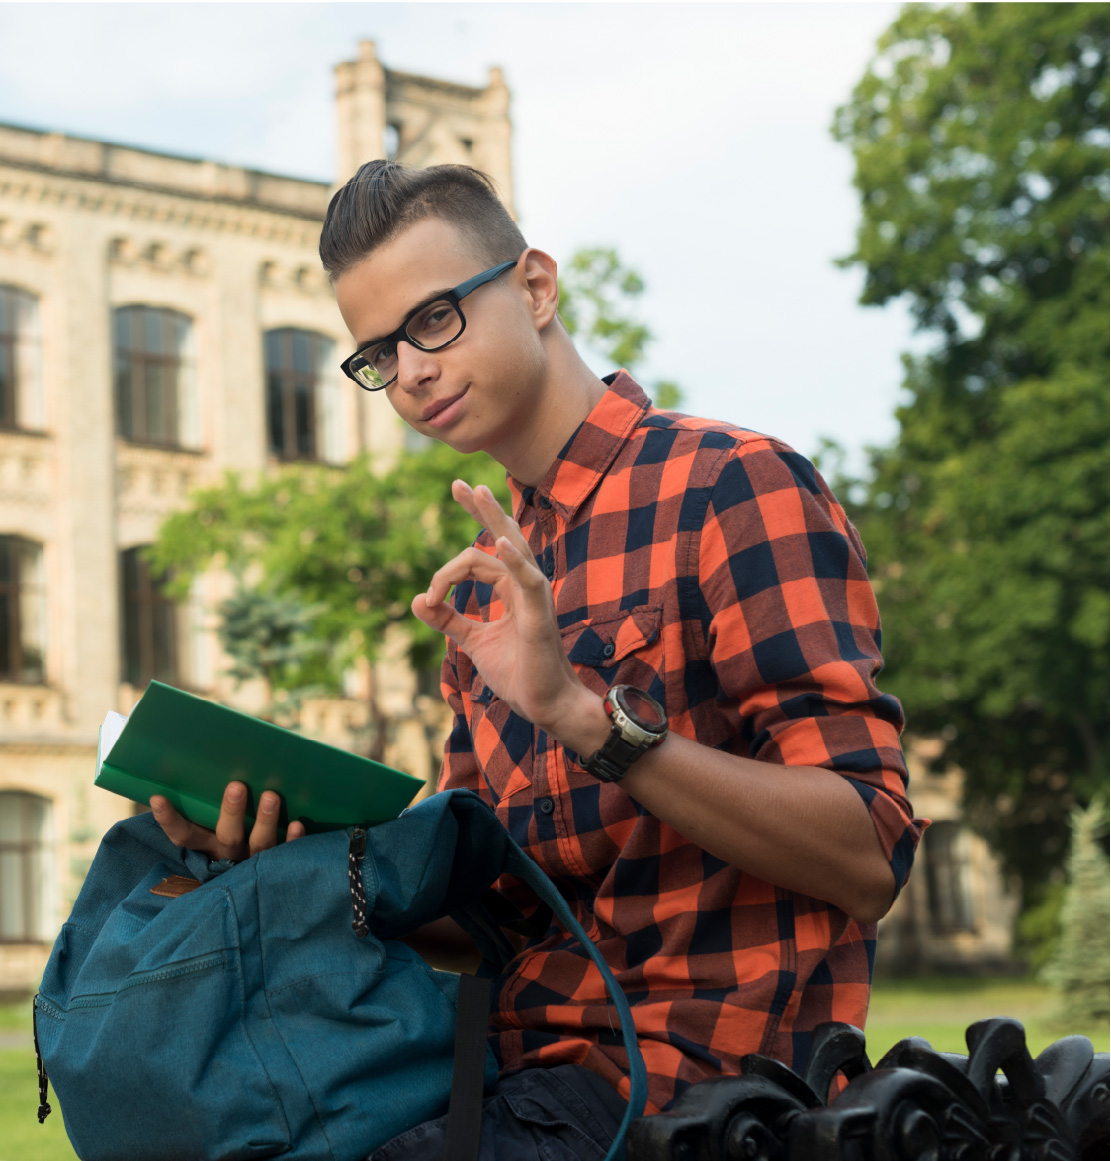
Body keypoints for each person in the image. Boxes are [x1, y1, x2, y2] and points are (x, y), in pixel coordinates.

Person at [151, 160, 924, 1160]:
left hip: (701, 1092)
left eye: (433, 319)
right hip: (501, 1072)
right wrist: (296, 860)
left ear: (535, 287)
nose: (412, 370)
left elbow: (867, 855)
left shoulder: (733, 488)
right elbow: (500, 916)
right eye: (378, 353)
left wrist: (588, 723)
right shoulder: (480, 594)